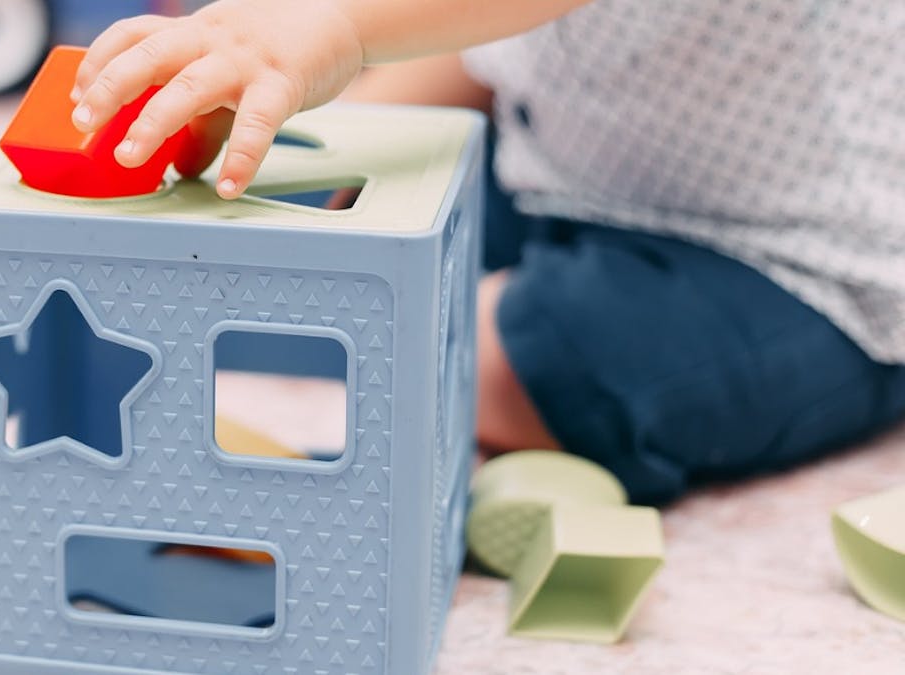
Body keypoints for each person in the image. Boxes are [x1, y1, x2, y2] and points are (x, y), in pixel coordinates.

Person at [68, 0, 905, 504]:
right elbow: (482, 44)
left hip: (796, 264)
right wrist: (312, 143)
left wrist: (336, 24)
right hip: (563, 173)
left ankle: (467, 354)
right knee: (354, 213)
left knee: (532, 357)